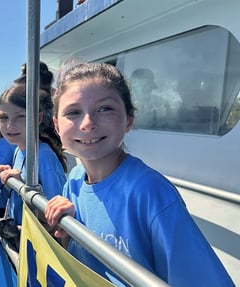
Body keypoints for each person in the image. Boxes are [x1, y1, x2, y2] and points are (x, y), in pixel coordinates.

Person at [45, 62, 234, 287]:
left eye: (104, 109)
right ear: (57, 125)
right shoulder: (74, 181)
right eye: (73, 112)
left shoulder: (151, 192)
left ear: (129, 119)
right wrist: (66, 229)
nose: (88, 124)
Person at [0, 83, 67, 227]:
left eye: (20, 116)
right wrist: (10, 178)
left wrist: (21, 186)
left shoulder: (44, 156)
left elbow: (59, 219)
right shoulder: (18, 150)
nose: (10, 125)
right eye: (3, 117)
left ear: (38, 118)